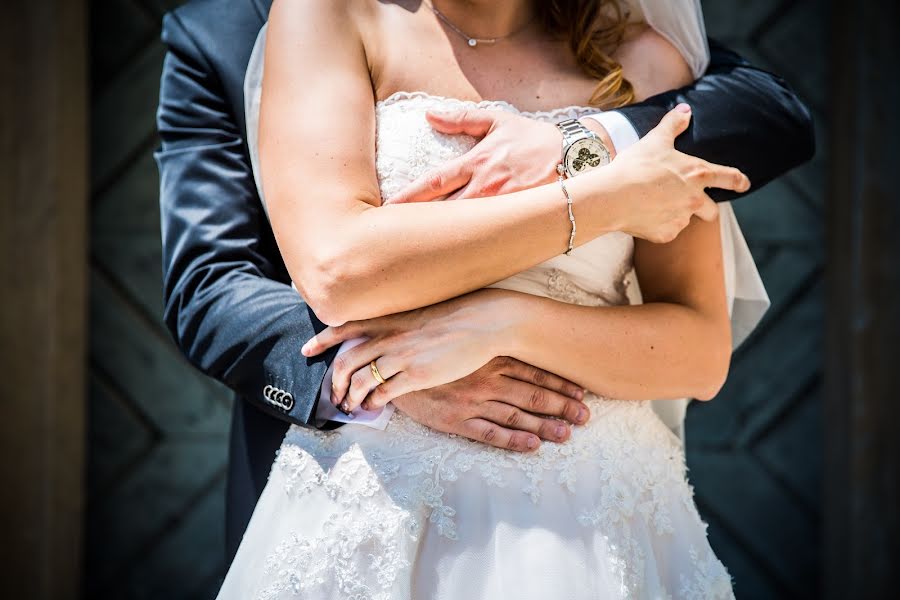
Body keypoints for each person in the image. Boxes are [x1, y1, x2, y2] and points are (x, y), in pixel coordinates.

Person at [155, 0, 812, 582]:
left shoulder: (641, 59)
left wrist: (505, 323)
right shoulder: (323, 16)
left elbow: (698, 350)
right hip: (377, 491)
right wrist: (600, 200)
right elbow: (319, 272)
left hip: (598, 508)